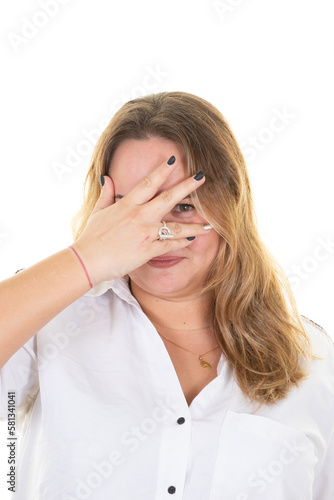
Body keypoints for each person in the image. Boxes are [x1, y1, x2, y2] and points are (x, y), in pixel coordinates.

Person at [0, 91, 333, 500]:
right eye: (132, 209)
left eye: (184, 205)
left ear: (230, 206)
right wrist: (85, 258)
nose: (156, 232)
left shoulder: (315, 360)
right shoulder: (50, 319)